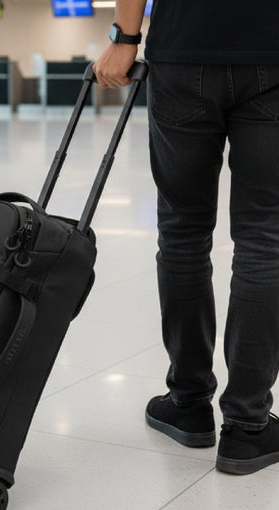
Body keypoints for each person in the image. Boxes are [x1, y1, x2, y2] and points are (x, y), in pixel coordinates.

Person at [93, 0, 279, 475]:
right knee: (265, 239)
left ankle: (189, 402)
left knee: (182, 232)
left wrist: (124, 39)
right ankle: (248, 426)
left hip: (183, 50)